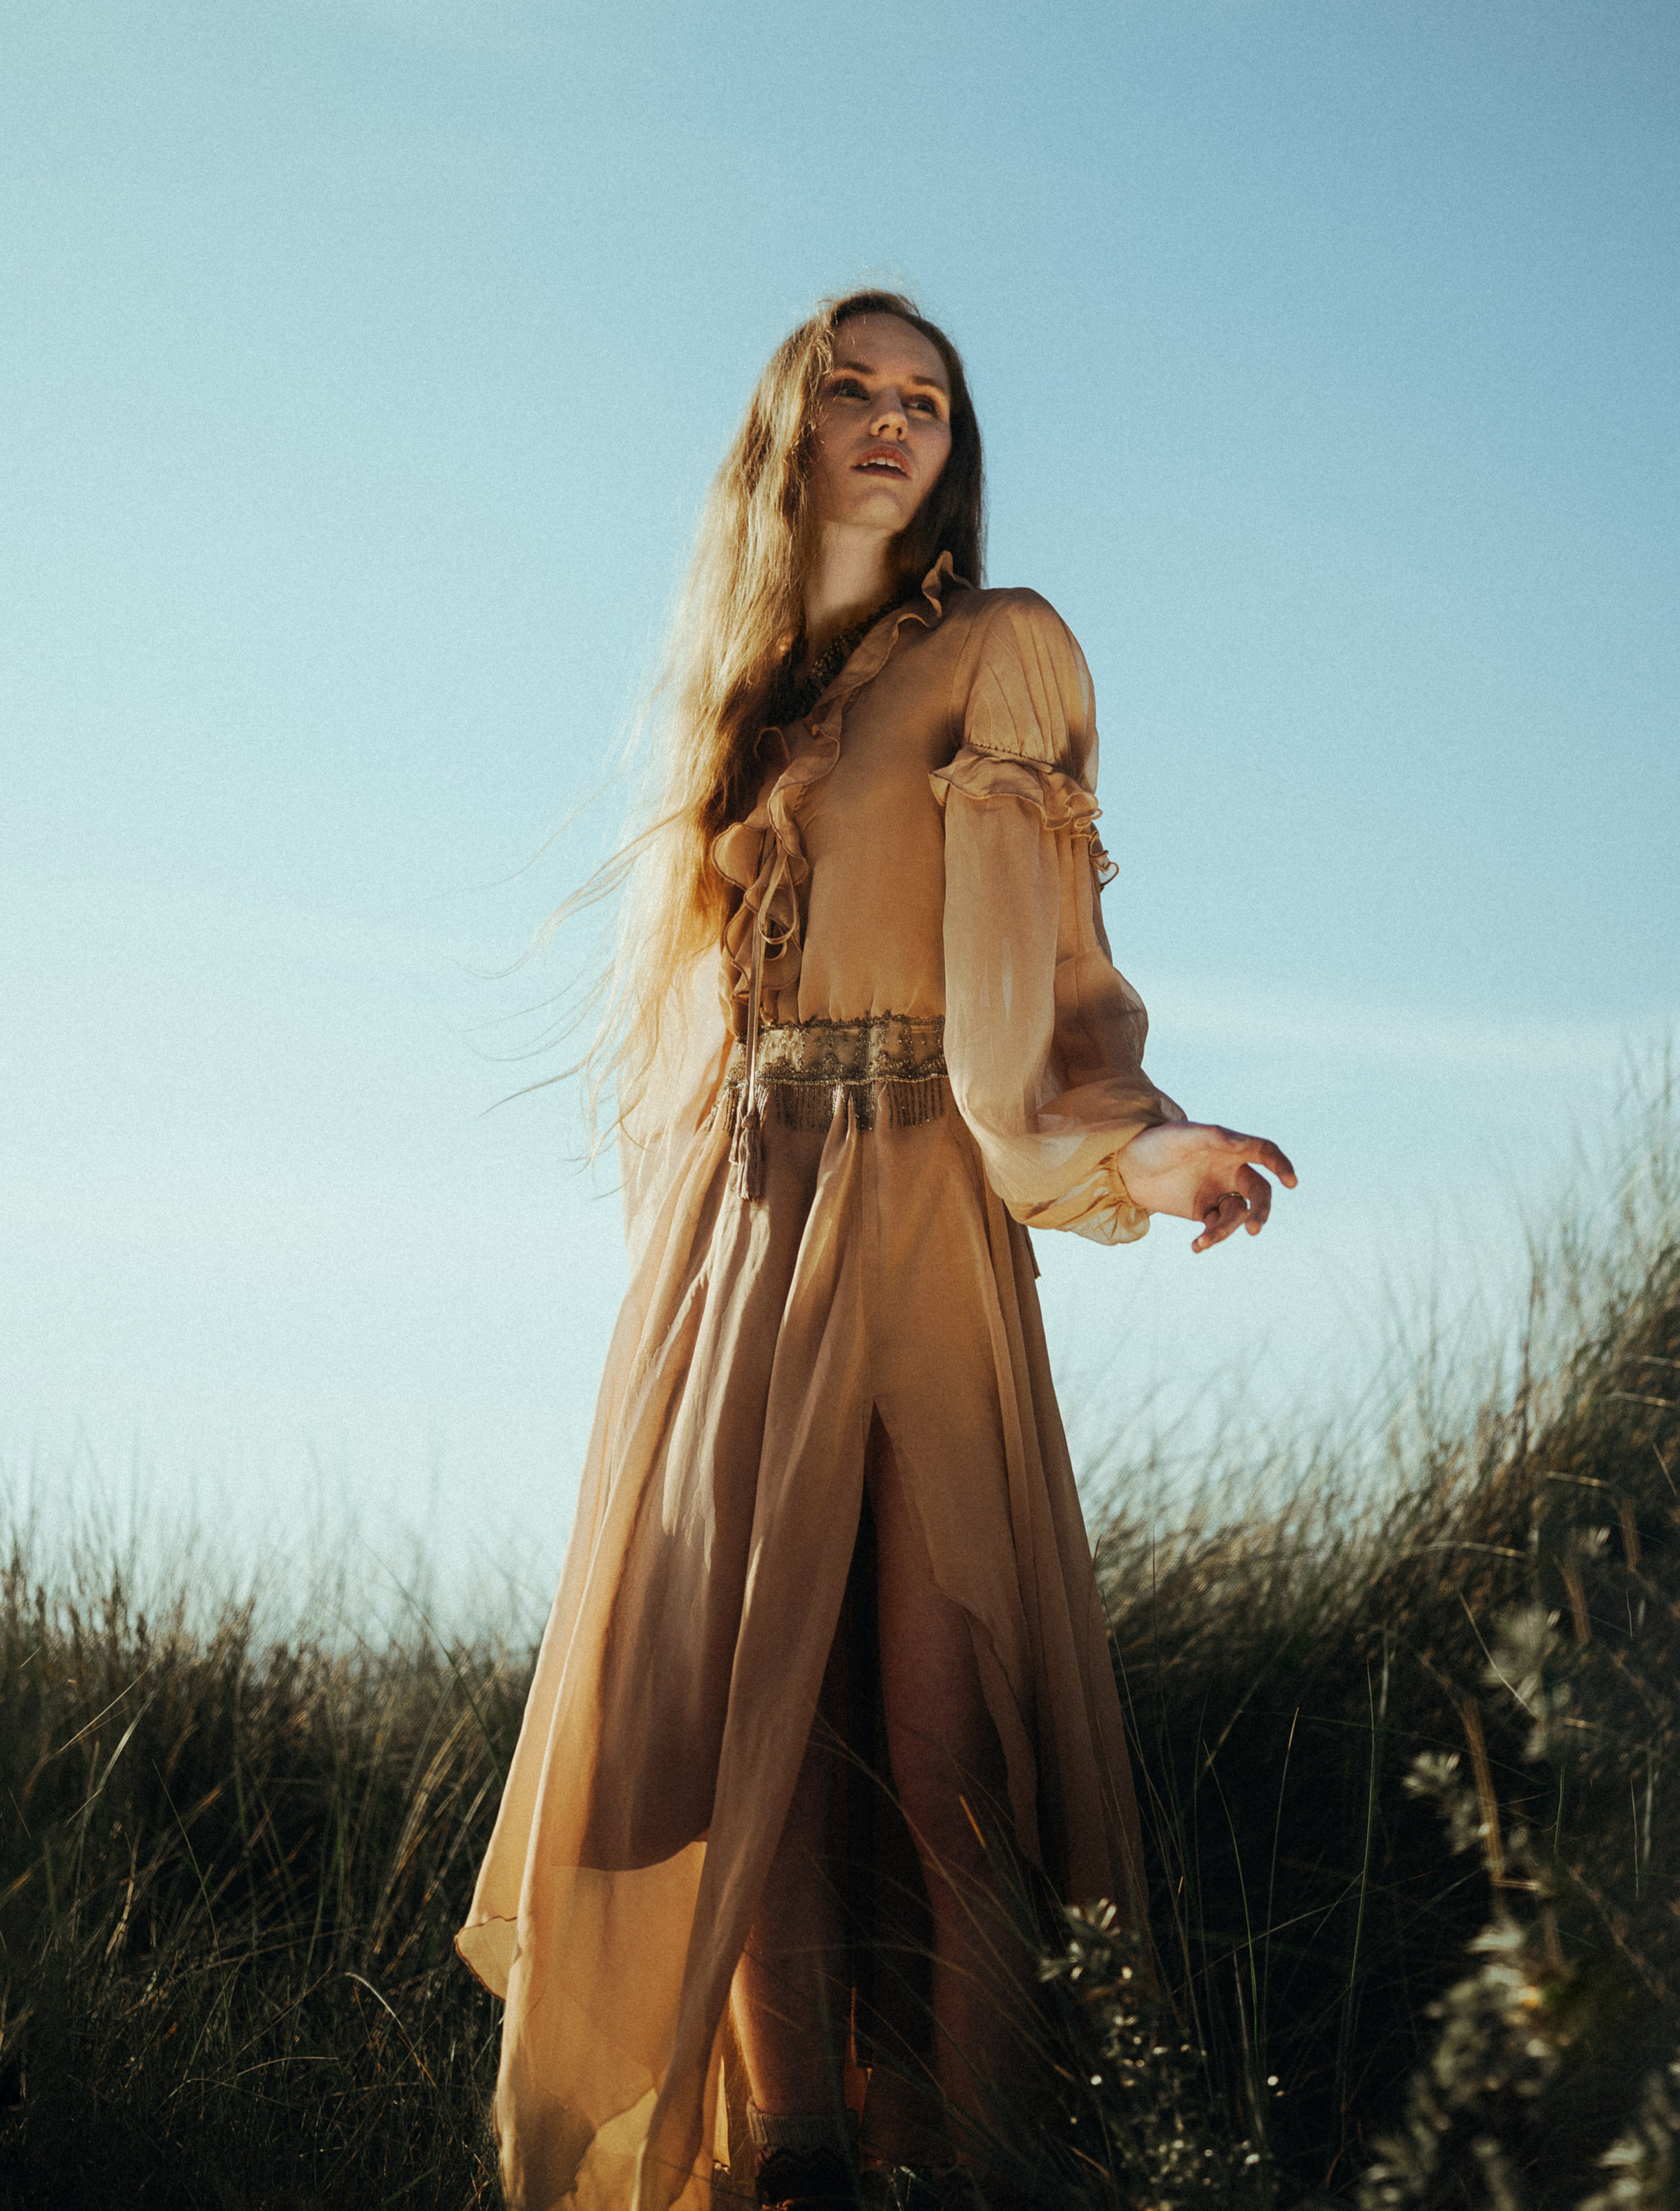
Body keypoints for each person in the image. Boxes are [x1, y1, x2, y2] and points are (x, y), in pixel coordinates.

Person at [457, 289, 1295, 2211]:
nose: (895, 422)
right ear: (790, 426)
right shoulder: (733, 709)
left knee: (949, 1755)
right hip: (739, 1251)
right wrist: (685, 1295)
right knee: (744, 1760)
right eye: (856, 388)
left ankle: (998, 2168)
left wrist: (1139, 1145)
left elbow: (1046, 995)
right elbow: (686, 1054)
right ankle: (798, 2168)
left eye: (928, 400)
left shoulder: (1000, 655)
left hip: (918, 1203)